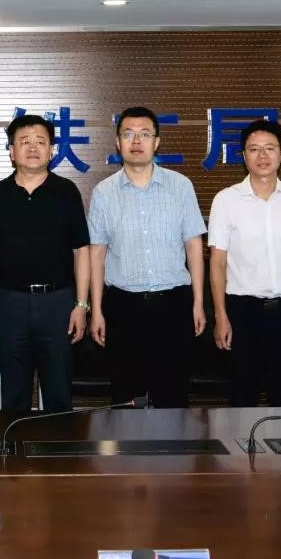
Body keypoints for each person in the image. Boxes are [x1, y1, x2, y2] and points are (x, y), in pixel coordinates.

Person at [88, 106, 207, 408]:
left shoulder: (180, 186)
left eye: (144, 134)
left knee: (174, 398)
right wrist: (97, 310)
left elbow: (194, 246)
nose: (136, 141)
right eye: (128, 134)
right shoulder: (103, 193)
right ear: (118, 142)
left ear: (157, 142)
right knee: (126, 398)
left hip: (173, 304)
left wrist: (198, 302)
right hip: (123, 307)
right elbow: (97, 254)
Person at [208, 119, 281, 407]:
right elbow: (218, 262)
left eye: (270, 148)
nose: (262, 156)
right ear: (243, 155)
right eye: (254, 149)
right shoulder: (226, 200)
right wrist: (220, 315)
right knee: (242, 395)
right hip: (243, 311)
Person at [0, 114, 90, 412]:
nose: (32, 148)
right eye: (24, 142)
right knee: (13, 394)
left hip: (58, 303)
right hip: (9, 303)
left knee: (58, 392)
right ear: (11, 151)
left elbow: (81, 251)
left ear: (51, 150)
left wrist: (81, 305)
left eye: (40, 142)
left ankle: (59, 444)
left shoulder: (67, 192)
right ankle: (13, 444)